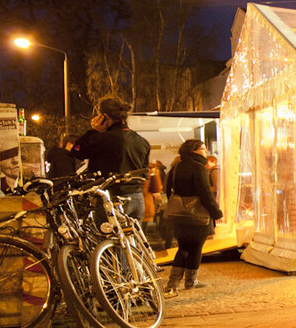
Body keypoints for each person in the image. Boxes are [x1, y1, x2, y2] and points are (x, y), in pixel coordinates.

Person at [72, 96, 151, 220]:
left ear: (104, 117)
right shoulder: (142, 141)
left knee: (108, 237)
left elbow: (78, 151)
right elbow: (145, 170)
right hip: (137, 197)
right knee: (132, 238)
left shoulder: (102, 139)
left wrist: (94, 130)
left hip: (112, 196)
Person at [161, 139, 223, 296]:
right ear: (194, 150)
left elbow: (168, 191)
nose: (206, 151)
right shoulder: (199, 168)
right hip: (198, 215)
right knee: (196, 247)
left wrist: (179, 206)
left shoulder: (176, 167)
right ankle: (190, 281)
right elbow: (205, 193)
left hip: (179, 215)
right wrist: (216, 212)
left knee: (183, 247)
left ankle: (173, 283)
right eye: (203, 148)